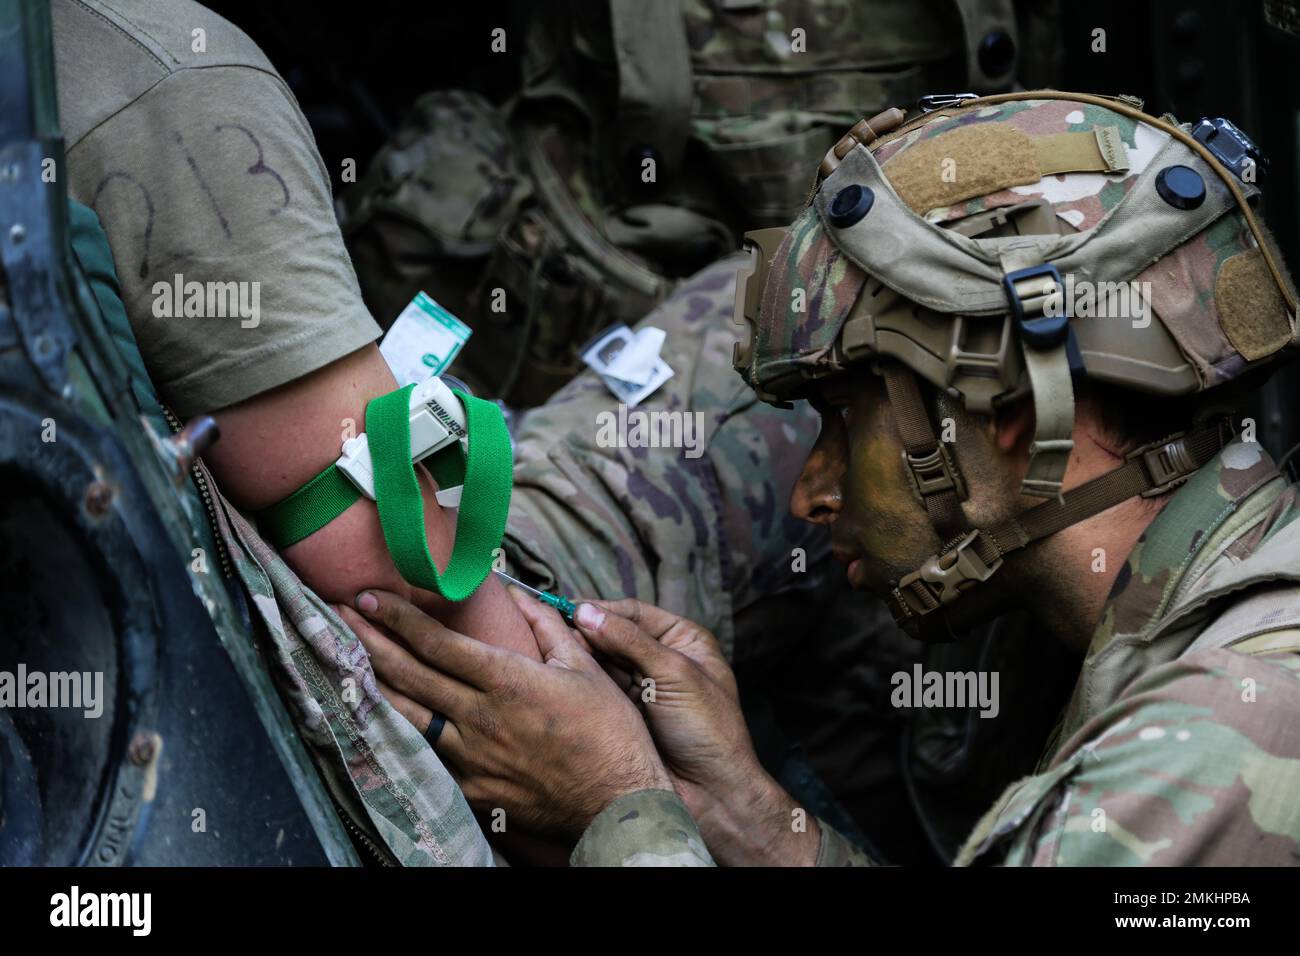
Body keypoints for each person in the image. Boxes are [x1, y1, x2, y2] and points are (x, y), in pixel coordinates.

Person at [347, 91, 1300, 865]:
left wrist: (619, 810)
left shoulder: (1214, 738)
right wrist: (758, 823)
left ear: (1009, 415)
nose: (813, 492)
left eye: (846, 424)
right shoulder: (1195, 630)